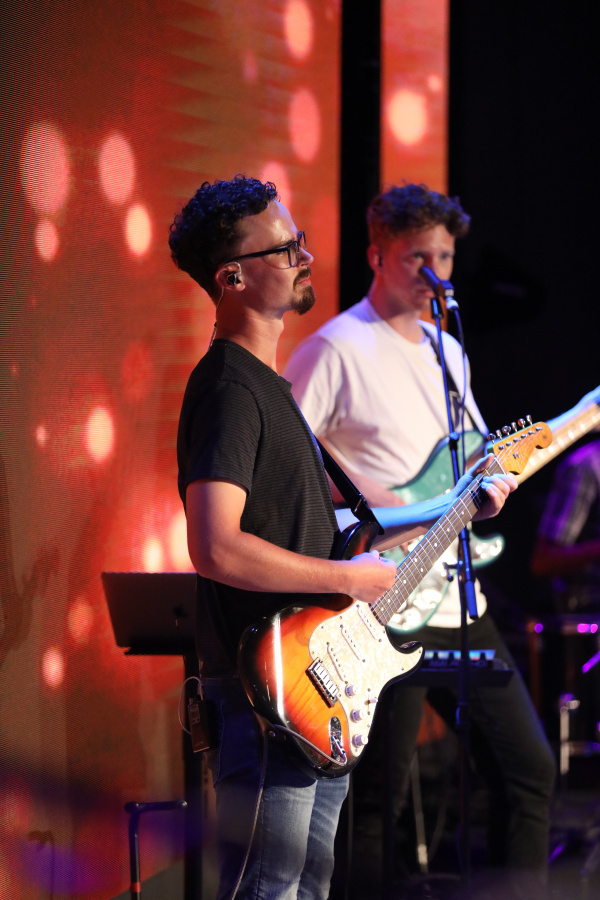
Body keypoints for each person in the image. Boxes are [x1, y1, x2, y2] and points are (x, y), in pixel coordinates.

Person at [170, 175, 515, 900]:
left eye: (299, 242)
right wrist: (347, 580)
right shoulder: (230, 389)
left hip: (313, 682)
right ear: (232, 277)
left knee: (305, 885)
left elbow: (341, 525)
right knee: (268, 886)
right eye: (284, 248)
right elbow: (215, 547)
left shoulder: (271, 389)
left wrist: (458, 507)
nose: (304, 258)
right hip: (267, 687)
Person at [284, 183, 556, 896]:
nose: (436, 274)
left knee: (527, 769)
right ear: (377, 256)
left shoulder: (448, 351)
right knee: (377, 799)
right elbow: (288, 470)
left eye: (445, 257)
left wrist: (495, 479)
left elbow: (471, 456)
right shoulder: (334, 349)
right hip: (384, 601)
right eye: (417, 258)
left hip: (456, 598)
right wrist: (365, 519)